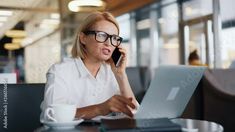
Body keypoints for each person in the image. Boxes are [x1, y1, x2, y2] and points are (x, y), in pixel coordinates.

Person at [40, 11, 138, 120]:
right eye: (102, 35)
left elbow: (135, 114)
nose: (109, 43)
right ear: (83, 38)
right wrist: (99, 109)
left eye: (114, 38)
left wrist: (120, 74)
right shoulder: (60, 71)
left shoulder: (112, 72)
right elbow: (52, 116)